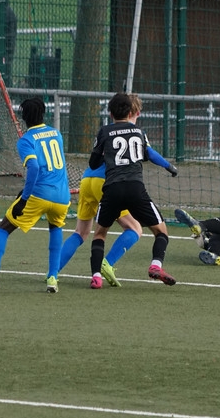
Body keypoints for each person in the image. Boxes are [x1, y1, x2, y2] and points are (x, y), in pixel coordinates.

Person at [60, 94, 178, 286]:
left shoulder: (105, 131)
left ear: (111, 112)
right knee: (135, 228)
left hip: (87, 180)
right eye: (138, 113)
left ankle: (54, 271)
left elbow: (93, 160)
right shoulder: (137, 132)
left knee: (81, 232)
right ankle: (108, 264)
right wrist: (169, 166)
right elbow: (149, 153)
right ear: (133, 113)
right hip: (109, 182)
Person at [0, 97, 70, 295]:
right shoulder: (56, 133)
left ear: (23, 117)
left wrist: (24, 199)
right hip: (62, 196)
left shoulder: (26, 140)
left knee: (3, 229)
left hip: (40, 194)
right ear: (43, 113)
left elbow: (34, 167)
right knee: (55, 227)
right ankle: (53, 277)